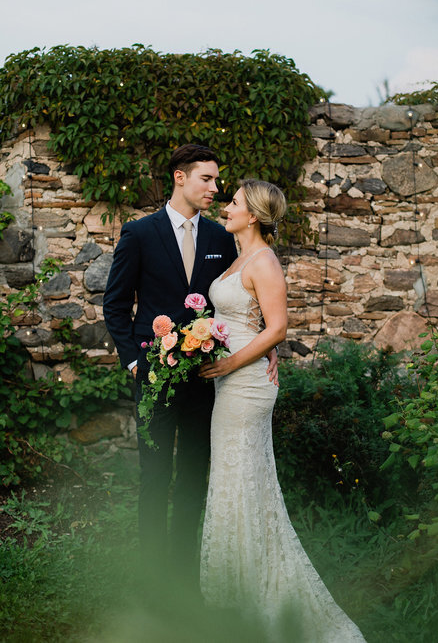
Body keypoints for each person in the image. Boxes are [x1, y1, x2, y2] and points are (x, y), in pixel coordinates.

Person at [104, 144, 278, 588]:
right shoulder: (139, 233)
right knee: (155, 474)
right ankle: (151, 573)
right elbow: (116, 304)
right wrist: (133, 365)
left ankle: (185, 571)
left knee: (195, 475)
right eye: (207, 179)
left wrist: (266, 343)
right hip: (154, 377)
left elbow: (245, 301)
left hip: (207, 381)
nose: (215, 190)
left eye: (219, 182)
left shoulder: (223, 239)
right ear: (180, 177)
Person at [198, 179, 365, 642]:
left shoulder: (265, 261)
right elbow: (245, 320)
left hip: (246, 386)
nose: (225, 207)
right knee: (236, 480)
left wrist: (230, 361)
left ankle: (256, 599)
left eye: (232, 203)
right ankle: (236, 590)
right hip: (232, 381)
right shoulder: (238, 257)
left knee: (242, 480)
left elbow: (277, 328)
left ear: (252, 215)